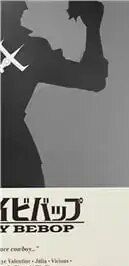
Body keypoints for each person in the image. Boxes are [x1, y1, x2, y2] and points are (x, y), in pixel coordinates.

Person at [1, 1, 108, 187]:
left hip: (14, 159)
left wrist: (93, 27)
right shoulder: (30, 49)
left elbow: (92, 79)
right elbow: (93, 79)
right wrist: (92, 26)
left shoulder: (31, 50)